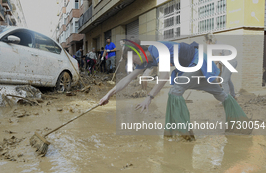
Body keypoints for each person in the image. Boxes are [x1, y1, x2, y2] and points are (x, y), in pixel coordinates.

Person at [99, 40, 249, 140]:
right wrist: (107, 95)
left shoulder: (157, 49)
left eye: (131, 59)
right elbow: (127, 79)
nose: (132, 64)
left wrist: (149, 97)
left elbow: (164, 75)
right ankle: (241, 126)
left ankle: (183, 135)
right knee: (221, 95)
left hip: (198, 61)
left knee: (175, 91)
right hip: (191, 66)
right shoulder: (146, 61)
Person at [205, 33, 238, 99]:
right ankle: (233, 96)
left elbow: (218, 59)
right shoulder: (212, 47)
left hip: (230, 62)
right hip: (226, 63)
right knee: (227, 80)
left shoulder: (217, 45)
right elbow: (217, 61)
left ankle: (225, 99)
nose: (205, 42)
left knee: (224, 81)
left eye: (205, 40)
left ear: (208, 40)